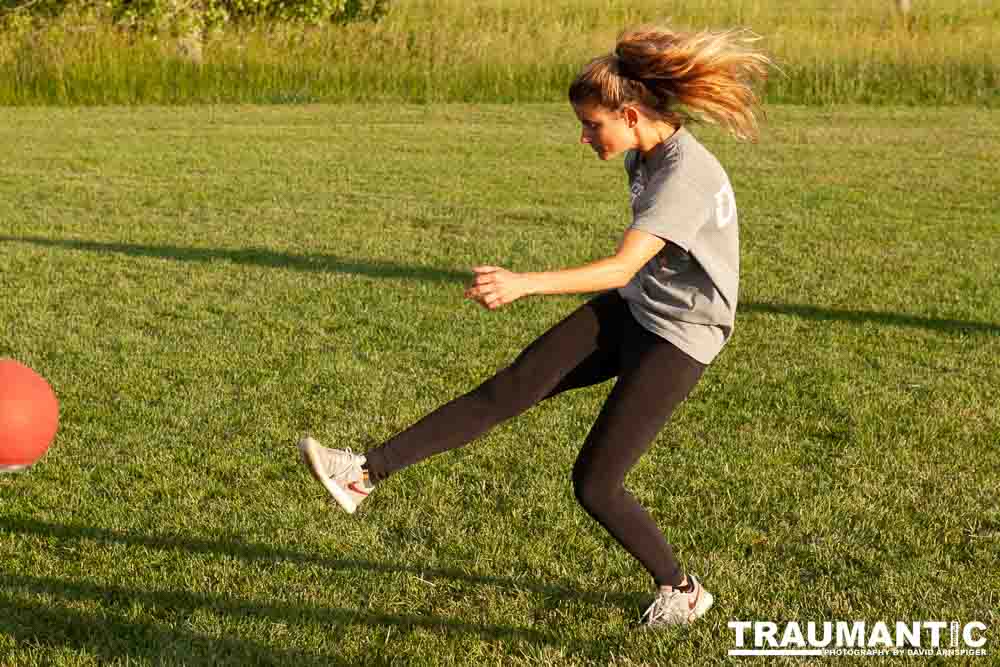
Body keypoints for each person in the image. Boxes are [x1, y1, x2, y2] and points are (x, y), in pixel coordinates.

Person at [299, 26, 771, 628]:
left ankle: (682, 589)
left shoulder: (683, 176)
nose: (583, 137)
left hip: (680, 336)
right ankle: (362, 473)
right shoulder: (643, 152)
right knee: (513, 385)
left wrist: (523, 282)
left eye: (591, 124)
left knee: (596, 484)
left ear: (629, 115)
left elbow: (624, 262)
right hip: (637, 306)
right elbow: (637, 272)